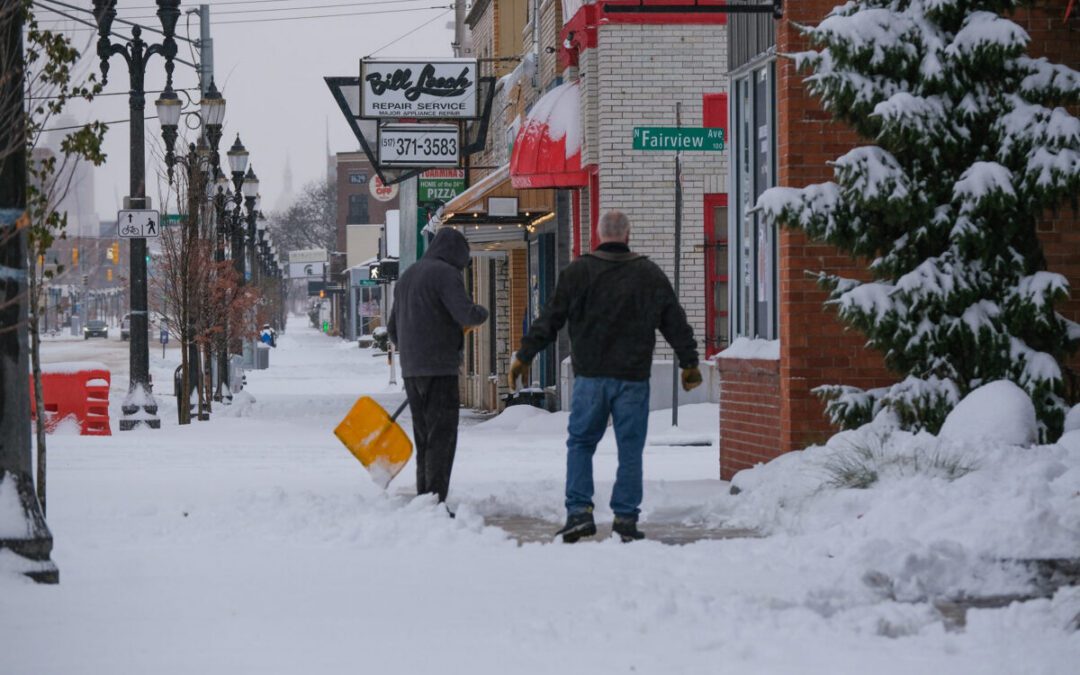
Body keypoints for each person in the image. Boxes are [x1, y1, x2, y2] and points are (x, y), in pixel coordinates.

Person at [509, 210, 701, 543]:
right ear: (627, 236)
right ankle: (625, 518)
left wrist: (525, 355)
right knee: (630, 449)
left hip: (590, 378)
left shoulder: (578, 272)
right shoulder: (648, 273)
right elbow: (674, 321)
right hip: (633, 378)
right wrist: (689, 362)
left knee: (581, 444)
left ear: (598, 235)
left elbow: (551, 318)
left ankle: (579, 513)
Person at [387, 227, 488, 508]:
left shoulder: (408, 276)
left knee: (424, 436)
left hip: (412, 370)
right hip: (440, 369)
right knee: (442, 436)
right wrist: (482, 312)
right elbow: (465, 312)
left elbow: (393, 329)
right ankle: (436, 501)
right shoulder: (446, 274)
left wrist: (413, 351)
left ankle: (425, 497)